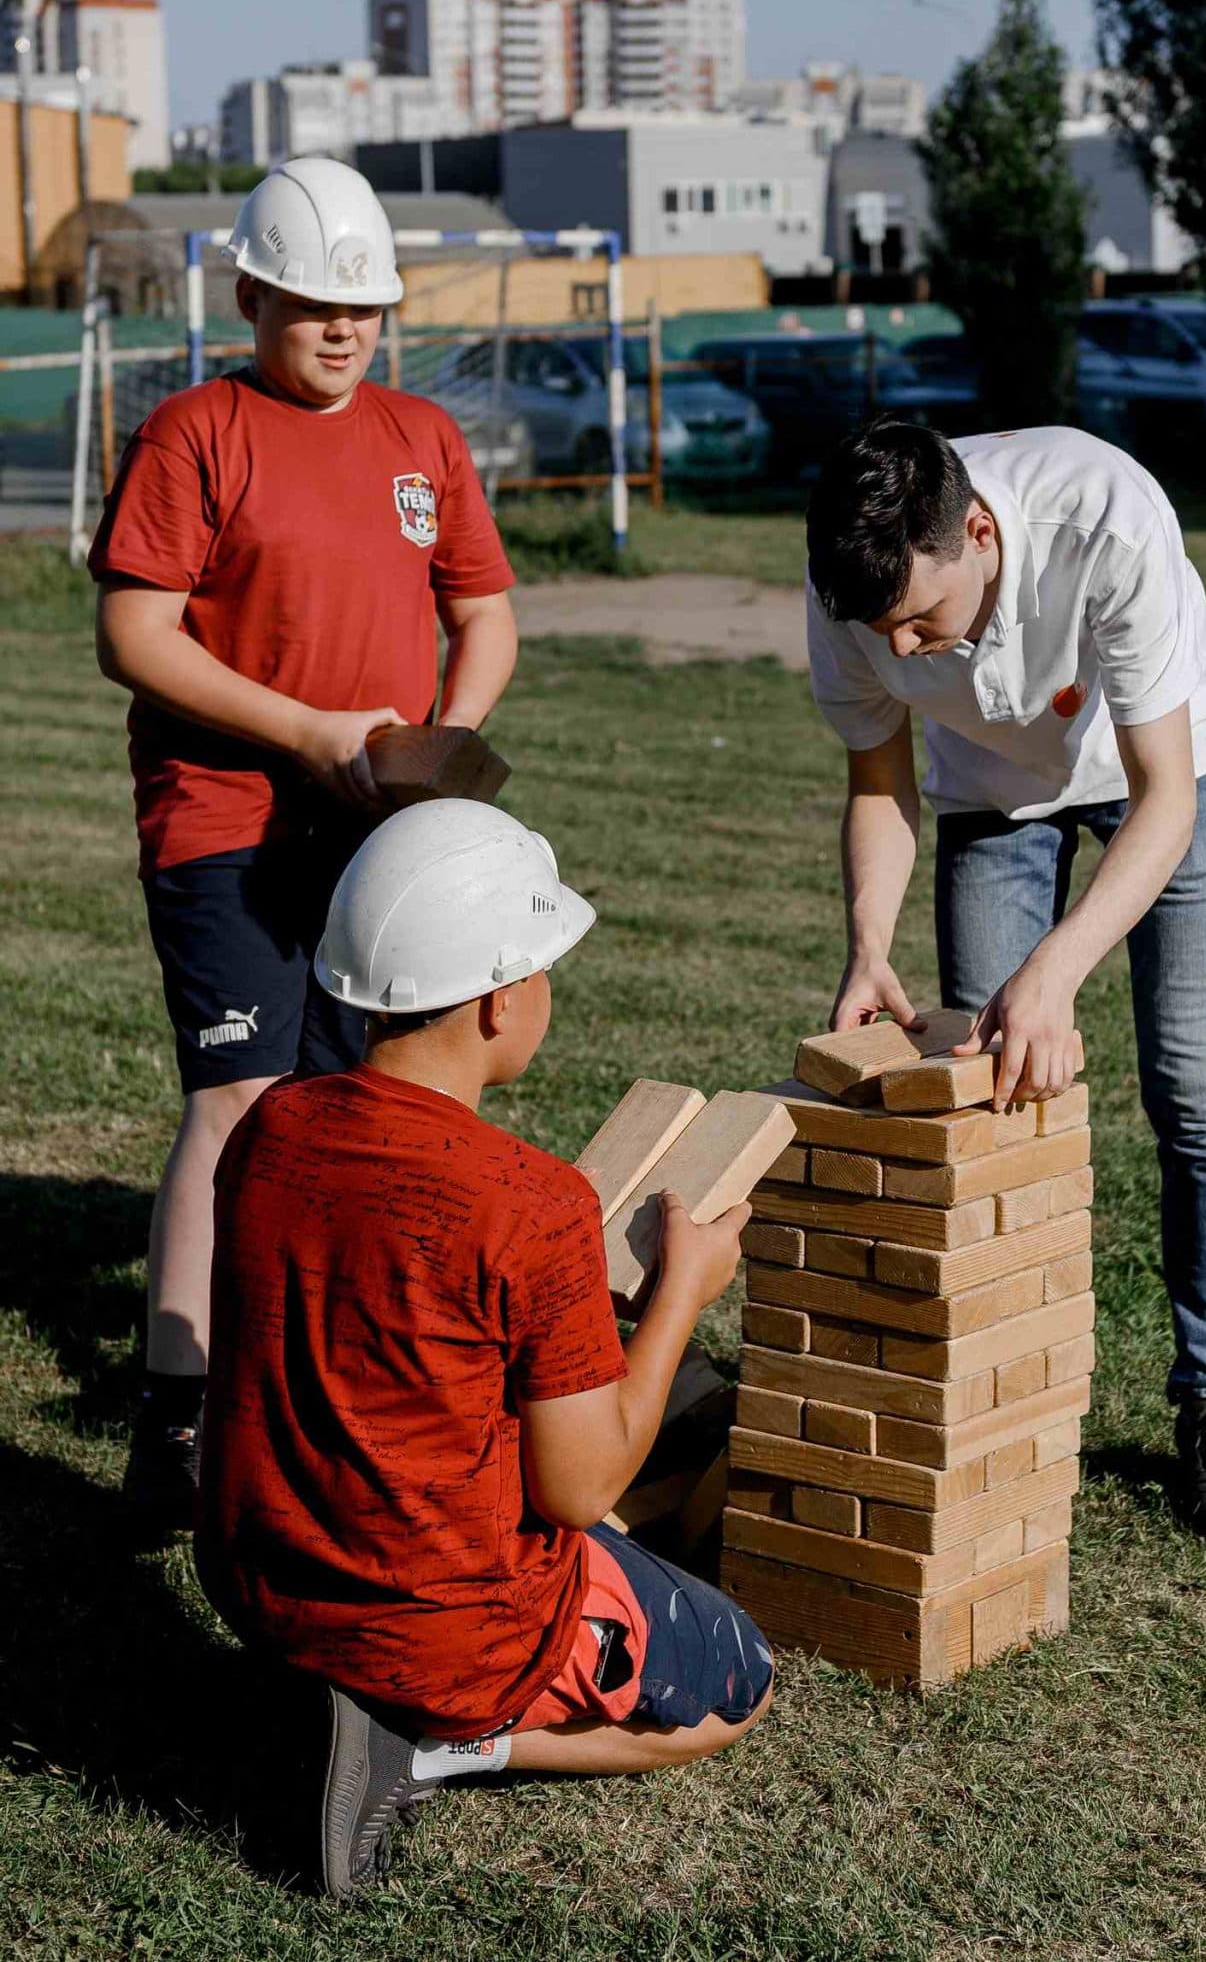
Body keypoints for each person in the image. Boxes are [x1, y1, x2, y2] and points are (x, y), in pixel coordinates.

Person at [195, 801, 771, 1898]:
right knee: (733, 1684)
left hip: (259, 1581)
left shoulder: (270, 1127)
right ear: (504, 996)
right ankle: (427, 1744)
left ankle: (335, 1692)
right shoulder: (529, 1201)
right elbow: (579, 1484)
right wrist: (680, 1295)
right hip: (448, 1629)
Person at [87, 158, 518, 1537]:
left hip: (379, 820)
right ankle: (178, 1408)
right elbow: (133, 637)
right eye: (316, 304)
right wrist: (306, 731)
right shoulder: (196, 431)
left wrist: (436, 746)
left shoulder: (422, 438)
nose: (344, 331)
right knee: (240, 1100)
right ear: (250, 293)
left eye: (367, 308)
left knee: (370, 1108)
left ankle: (330, 1380)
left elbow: (487, 612)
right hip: (224, 819)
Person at [804, 417, 1206, 1547]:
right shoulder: (848, 585)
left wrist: (1055, 970)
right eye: (888, 632)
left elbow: (1164, 793)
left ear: (976, 530)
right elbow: (879, 781)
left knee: (1191, 1087)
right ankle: (997, 1395)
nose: (910, 651)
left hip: (1162, 770)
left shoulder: (1104, 513)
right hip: (988, 798)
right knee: (984, 1093)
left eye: (924, 618)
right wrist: (868, 940)